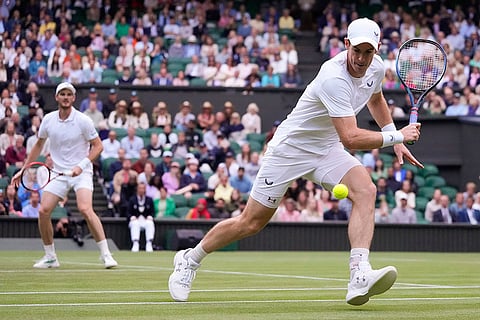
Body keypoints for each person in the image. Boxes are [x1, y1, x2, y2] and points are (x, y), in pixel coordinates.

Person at [167, 18, 422, 305]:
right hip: (290, 149)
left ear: (376, 50)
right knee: (250, 223)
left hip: (326, 147)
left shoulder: (375, 67)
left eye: (369, 51)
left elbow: (375, 99)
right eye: (358, 50)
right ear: (346, 45)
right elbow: (350, 138)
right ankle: (189, 260)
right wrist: (397, 136)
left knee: (366, 189)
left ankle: (359, 275)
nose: (362, 59)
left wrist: (393, 135)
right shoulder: (332, 77)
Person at [11, 82, 118, 269]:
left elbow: (98, 146)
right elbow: (38, 145)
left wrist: (82, 165)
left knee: (85, 208)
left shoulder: (83, 120)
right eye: (63, 94)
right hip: (58, 173)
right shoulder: (49, 120)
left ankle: (106, 254)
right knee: (43, 211)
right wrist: (24, 169)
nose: (66, 97)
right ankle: (51, 257)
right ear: (57, 97)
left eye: (69, 94)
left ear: (74, 98)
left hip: (82, 172)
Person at [127, 182, 155, 252]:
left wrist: (150, 216)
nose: (141, 190)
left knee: (150, 223)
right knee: (135, 223)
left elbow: (153, 212)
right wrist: (131, 217)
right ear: (137, 189)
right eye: (140, 188)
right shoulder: (132, 200)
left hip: (145, 221)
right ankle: (135, 243)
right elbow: (128, 212)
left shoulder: (149, 200)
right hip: (135, 221)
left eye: (143, 188)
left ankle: (149, 243)